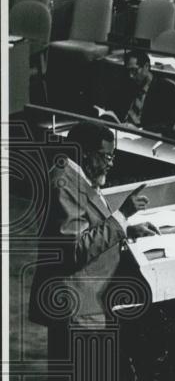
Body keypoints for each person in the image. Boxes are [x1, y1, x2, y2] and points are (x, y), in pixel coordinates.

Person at [29, 122, 158, 340]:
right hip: (77, 307)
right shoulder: (64, 184)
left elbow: (91, 226)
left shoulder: (79, 178)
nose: (110, 164)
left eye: (112, 156)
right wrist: (122, 215)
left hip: (88, 302)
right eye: (106, 157)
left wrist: (127, 229)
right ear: (86, 154)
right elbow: (75, 250)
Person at [98, 50, 175, 133]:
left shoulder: (165, 89)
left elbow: (166, 124)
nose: (131, 75)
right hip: (122, 132)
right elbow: (113, 108)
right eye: (129, 71)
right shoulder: (127, 83)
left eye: (134, 70)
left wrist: (140, 130)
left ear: (146, 66)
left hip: (145, 137)